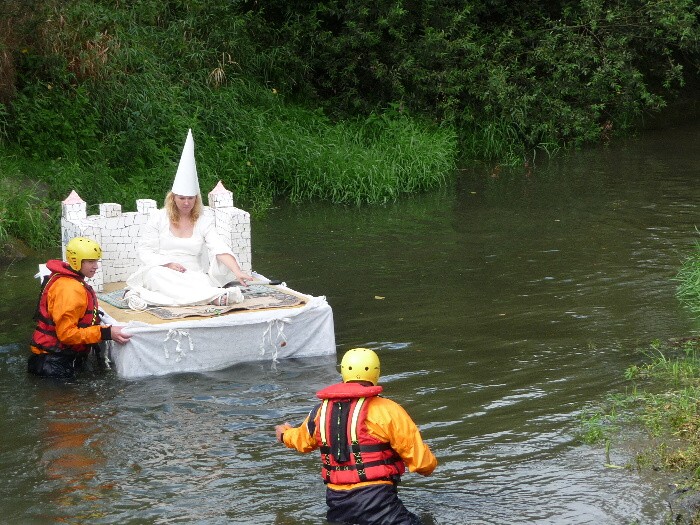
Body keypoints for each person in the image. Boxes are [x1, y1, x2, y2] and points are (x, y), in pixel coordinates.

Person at [275, 348, 437, 525]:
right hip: (378, 502)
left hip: (337, 505)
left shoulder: (320, 411)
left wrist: (284, 434)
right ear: (376, 372)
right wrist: (429, 465)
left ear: (343, 371)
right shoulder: (388, 410)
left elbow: (301, 440)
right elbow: (423, 464)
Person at [125, 129, 253, 307]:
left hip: (191, 273)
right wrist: (167, 264)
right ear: (173, 198)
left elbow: (218, 247)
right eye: (182, 198)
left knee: (200, 282)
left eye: (190, 198)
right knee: (155, 276)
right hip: (162, 269)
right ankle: (212, 297)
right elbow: (145, 251)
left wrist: (237, 271)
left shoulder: (202, 220)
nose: (186, 203)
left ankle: (204, 295)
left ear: (196, 198)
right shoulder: (158, 218)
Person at [28, 237, 132, 379]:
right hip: (53, 364)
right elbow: (66, 334)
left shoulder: (67, 280)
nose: (96, 266)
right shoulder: (70, 289)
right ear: (76, 262)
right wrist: (106, 333)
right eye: (90, 262)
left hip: (53, 359)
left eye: (96, 261)